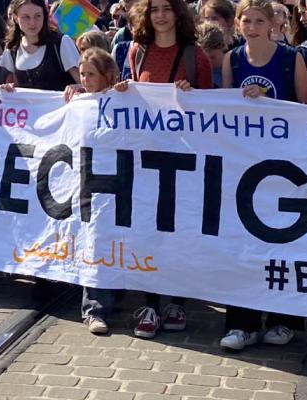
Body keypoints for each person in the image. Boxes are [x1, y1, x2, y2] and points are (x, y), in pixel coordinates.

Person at [99, 0, 213, 339]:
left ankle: (175, 300)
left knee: (177, 231)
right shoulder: (137, 51)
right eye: (154, 10)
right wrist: (123, 90)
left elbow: (213, 110)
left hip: (182, 159)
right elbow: (133, 92)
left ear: (178, 14)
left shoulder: (196, 57)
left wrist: (193, 96)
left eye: (166, 8)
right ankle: (149, 301)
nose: (160, 15)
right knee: (146, 229)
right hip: (145, 158)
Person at [216, 0, 307, 352]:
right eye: (247, 20)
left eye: (259, 20)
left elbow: (305, 105)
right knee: (243, 244)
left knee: (284, 242)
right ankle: (241, 323)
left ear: (272, 23)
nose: (252, 26)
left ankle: (282, 320)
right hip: (246, 163)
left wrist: (268, 101)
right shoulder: (234, 59)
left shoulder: (290, 58)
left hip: (285, 164)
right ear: (239, 24)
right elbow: (225, 108)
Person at [71, 48, 121, 334]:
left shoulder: (123, 101)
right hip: (91, 184)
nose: (85, 80)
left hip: (118, 182)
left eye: (91, 74)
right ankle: (93, 309)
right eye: (82, 74)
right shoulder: (78, 101)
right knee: (94, 240)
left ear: (108, 77)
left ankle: (116, 296)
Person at [0, 0, 81, 91]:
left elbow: (85, 84)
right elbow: (13, 88)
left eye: (37, 16)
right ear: (15, 18)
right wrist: (2, 88)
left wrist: (77, 88)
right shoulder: (11, 48)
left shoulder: (61, 43)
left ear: (44, 16)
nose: (32, 23)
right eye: (26, 17)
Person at [196, 23, 230, 88]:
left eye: (212, 57)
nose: (208, 63)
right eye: (203, 60)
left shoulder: (234, 68)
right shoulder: (193, 72)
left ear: (222, 47)